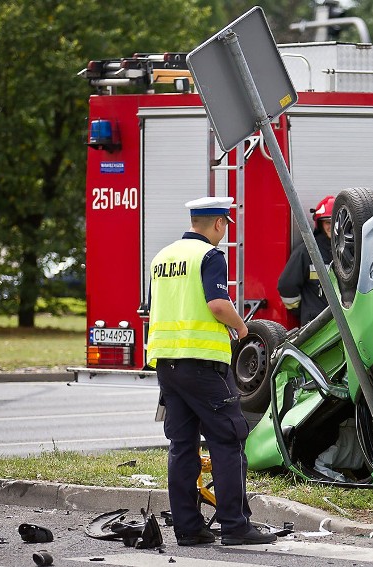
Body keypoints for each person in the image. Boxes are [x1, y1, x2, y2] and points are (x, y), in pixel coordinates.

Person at [146, 196, 277, 547]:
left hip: (167, 365)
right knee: (228, 439)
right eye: (225, 226)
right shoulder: (209, 256)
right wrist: (241, 327)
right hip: (203, 365)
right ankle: (235, 526)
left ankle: (189, 529)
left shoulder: (161, 258)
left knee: (181, 445)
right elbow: (217, 304)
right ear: (219, 224)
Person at [277, 195, 334, 325]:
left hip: (346, 323)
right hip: (315, 324)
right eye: (327, 222)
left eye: (335, 221)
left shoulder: (351, 252)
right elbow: (286, 286)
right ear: (320, 224)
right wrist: (302, 311)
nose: (331, 226)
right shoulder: (307, 252)